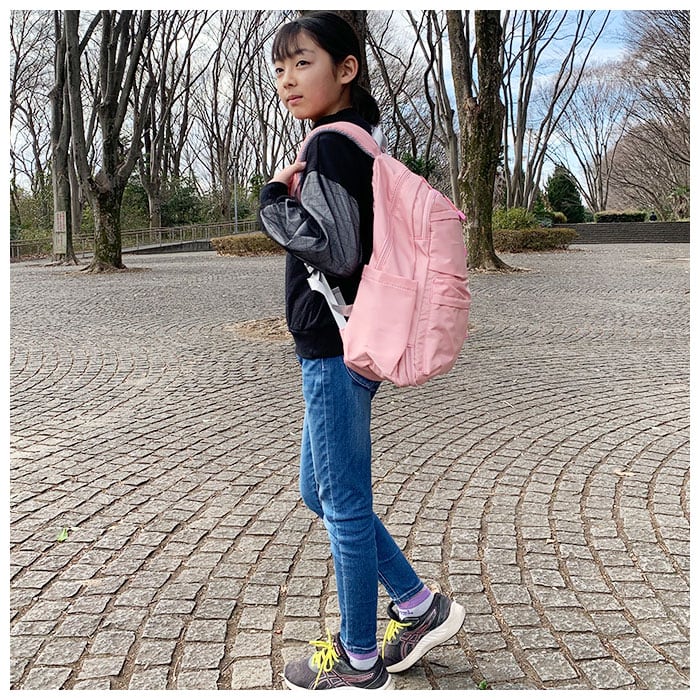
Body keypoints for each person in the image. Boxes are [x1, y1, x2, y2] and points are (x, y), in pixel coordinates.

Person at [259, 11, 465, 690]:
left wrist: (272, 200)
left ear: (346, 69)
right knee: (317, 490)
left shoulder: (330, 146)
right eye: (280, 67)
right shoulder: (355, 142)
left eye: (303, 62)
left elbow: (337, 249)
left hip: (334, 347)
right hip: (346, 339)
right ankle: (417, 603)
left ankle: (359, 660)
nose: (288, 79)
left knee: (342, 501)